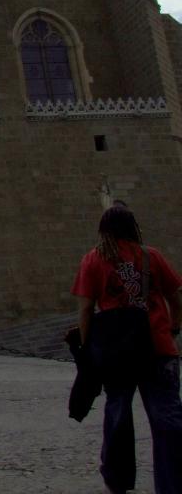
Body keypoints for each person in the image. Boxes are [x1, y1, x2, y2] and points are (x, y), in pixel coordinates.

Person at [71, 205, 182, 494]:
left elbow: (85, 309)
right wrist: (173, 328)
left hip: (117, 354)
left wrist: (87, 347)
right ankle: (172, 485)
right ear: (133, 228)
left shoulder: (93, 260)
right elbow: (176, 297)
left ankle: (117, 479)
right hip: (158, 348)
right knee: (167, 420)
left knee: (117, 415)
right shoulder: (151, 256)